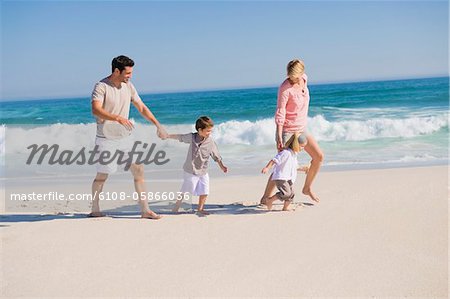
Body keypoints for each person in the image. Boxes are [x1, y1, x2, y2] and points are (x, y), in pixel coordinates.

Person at [89, 55, 168, 219]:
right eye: (127, 73)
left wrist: (157, 124)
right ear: (116, 71)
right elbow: (95, 110)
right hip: (106, 138)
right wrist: (116, 117)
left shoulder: (129, 86)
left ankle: (145, 210)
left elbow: (141, 107)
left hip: (125, 137)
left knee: (138, 169)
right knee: (102, 175)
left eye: (131, 73)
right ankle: (95, 209)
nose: (130, 76)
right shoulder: (101, 86)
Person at [261, 59, 324, 204]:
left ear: (301, 73)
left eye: (294, 77)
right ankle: (265, 197)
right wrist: (279, 135)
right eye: (290, 76)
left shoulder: (304, 79)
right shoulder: (285, 89)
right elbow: (280, 112)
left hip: (302, 128)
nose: (292, 79)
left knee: (319, 157)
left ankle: (307, 188)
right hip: (288, 131)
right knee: (282, 166)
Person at [164, 116, 228, 215]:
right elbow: (180, 137)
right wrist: (168, 136)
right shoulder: (192, 137)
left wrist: (222, 166)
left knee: (205, 190)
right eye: (207, 131)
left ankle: (200, 209)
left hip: (203, 171)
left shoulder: (210, 142)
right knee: (187, 188)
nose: (209, 133)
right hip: (190, 170)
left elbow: (216, 155)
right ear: (200, 130)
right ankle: (176, 206)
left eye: (210, 131)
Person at [261, 133, 309, 211]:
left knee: (291, 194)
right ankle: (269, 200)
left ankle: (285, 207)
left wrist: (304, 169)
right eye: (302, 146)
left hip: (288, 178)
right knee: (286, 193)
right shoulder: (285, 153)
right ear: (296, 144)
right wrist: (267, 167)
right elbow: (274, 160)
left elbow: (295, 166)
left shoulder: (294, 154)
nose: (303, 148)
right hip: (281, 177)